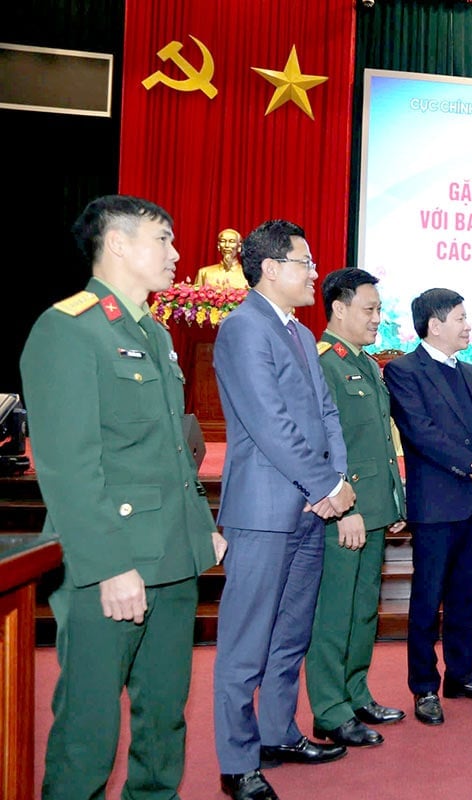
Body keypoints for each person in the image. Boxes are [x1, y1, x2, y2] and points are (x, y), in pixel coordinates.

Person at [21, 194, 225, 800]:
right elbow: (67, 468)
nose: (176, 253)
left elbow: (168, 451)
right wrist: (110, 566)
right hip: (110, 564)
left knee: (163, 719)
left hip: (171, 559)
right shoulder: (67, 328)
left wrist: (199, 529)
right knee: (89, 728)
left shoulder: (155, 333)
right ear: (117, 244)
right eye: (163, 239)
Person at [212, 220, 356, 800]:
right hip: (264, 510)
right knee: (245, 643)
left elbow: (325, 414)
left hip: (309, 508)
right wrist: (326, 485)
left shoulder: (297, 332)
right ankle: (237, 763)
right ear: (271, 267)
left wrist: (337, 481)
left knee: (291, 634)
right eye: (306, 262)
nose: (314, 273)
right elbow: (270, 423)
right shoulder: (243, 329)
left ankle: (277, 733)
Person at [383, 288, 472, 726]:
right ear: (435, 325)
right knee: (427, 600)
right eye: (460, 317)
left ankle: (462, 674)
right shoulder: (403, 371)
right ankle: (423, 687)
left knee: (467, 596)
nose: (468, 325)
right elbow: (420, 432)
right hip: (437, 505)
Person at [304, 268, 407, 748]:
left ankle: (355, 691)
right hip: (344, 513)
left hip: (374, 510)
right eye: (369, 309)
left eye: (380, 310)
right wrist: (345, 508)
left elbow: (377, 443)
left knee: (364, 609)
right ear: (339, 308)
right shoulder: (322, 362)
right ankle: (329, 709)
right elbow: (324, 445)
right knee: (336, 612)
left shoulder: (364, 363)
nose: (377, 319)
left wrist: (392, 499)